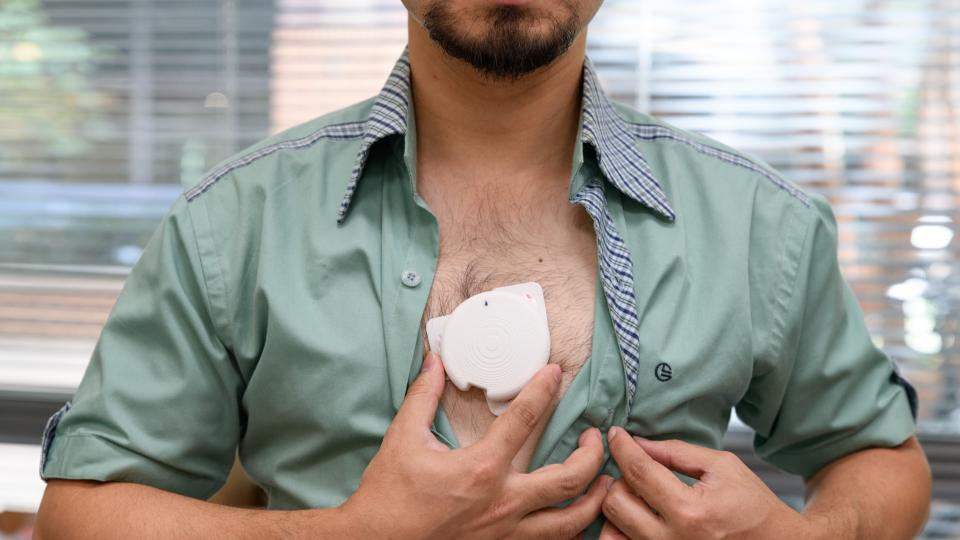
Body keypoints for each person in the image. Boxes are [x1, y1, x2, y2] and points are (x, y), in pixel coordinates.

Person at [35, 0, 932, 538]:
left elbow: (879, 464)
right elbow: (83, 519)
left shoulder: (758, 225)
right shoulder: (232, 223)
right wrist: (358, 535)